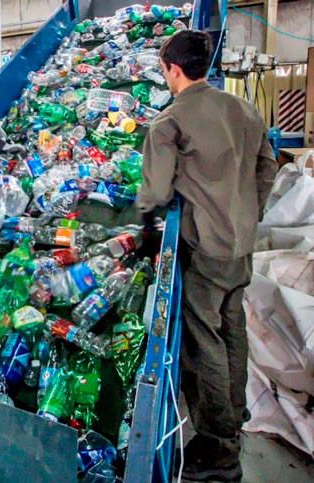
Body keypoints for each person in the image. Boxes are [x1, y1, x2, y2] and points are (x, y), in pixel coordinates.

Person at [135, 31, 277, 482]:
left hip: (208, 250)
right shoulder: (242, 107)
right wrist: (246, 212)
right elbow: (267, 166)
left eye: (163, 69)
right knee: (233, 328)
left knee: (204, 342)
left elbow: (154, 192)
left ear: (173, 70)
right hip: (240, 245)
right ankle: (234, 418)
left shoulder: (168, 122)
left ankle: (217, 449)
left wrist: (144, 225)